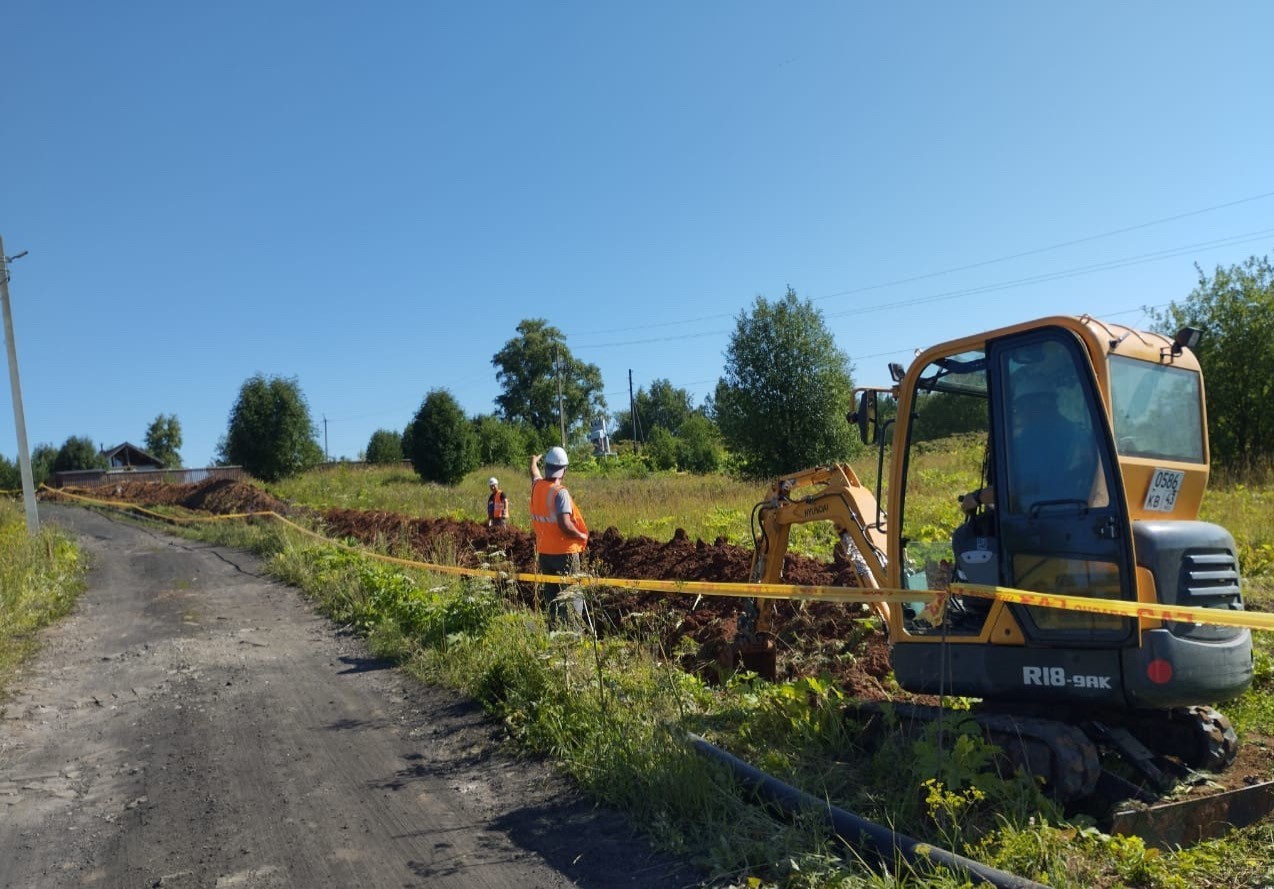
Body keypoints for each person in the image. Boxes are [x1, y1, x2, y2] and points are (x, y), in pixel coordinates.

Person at [529, 446, 589, 623]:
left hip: (545, 553)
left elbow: (533, 473)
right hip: (565, 553)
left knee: (552, 597)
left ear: (547, 467)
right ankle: (573, 634)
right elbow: (564, 524)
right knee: (571, 597)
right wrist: (581, 535)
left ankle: (555, 632)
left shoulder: (537, 486)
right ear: (564, 469)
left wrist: (533, 461)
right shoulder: (560, 492)